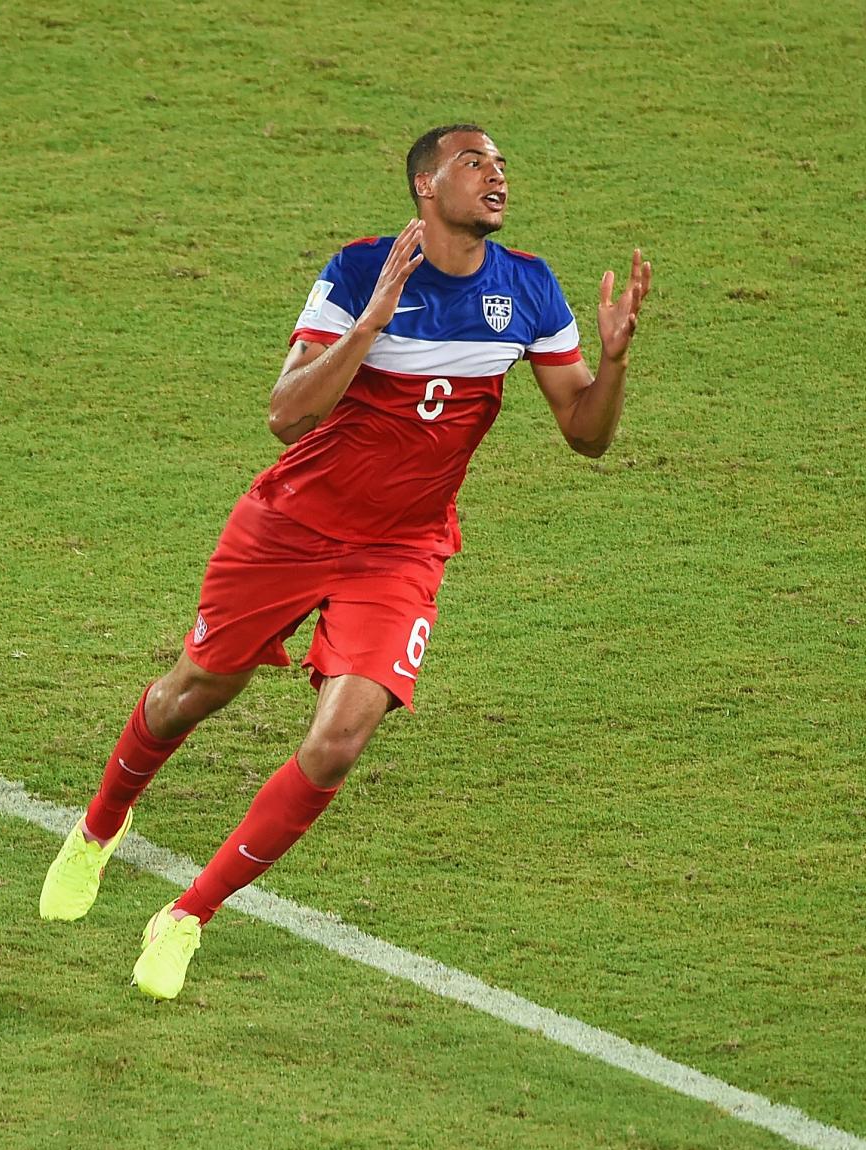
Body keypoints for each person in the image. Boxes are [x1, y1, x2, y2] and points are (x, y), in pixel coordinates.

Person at [39, 123, 651, 1000]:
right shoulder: (361, 269)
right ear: (425, 186)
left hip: (401, 550)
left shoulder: (529, 286)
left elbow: (587, 435)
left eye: (501, 164)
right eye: (474, 162)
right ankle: (100, 827)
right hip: (289, 529)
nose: (496, 175)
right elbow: (286, 415)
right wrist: (368, 326)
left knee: (338, 742)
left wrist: (616, 362)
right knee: (195, 691)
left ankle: (187, 916)